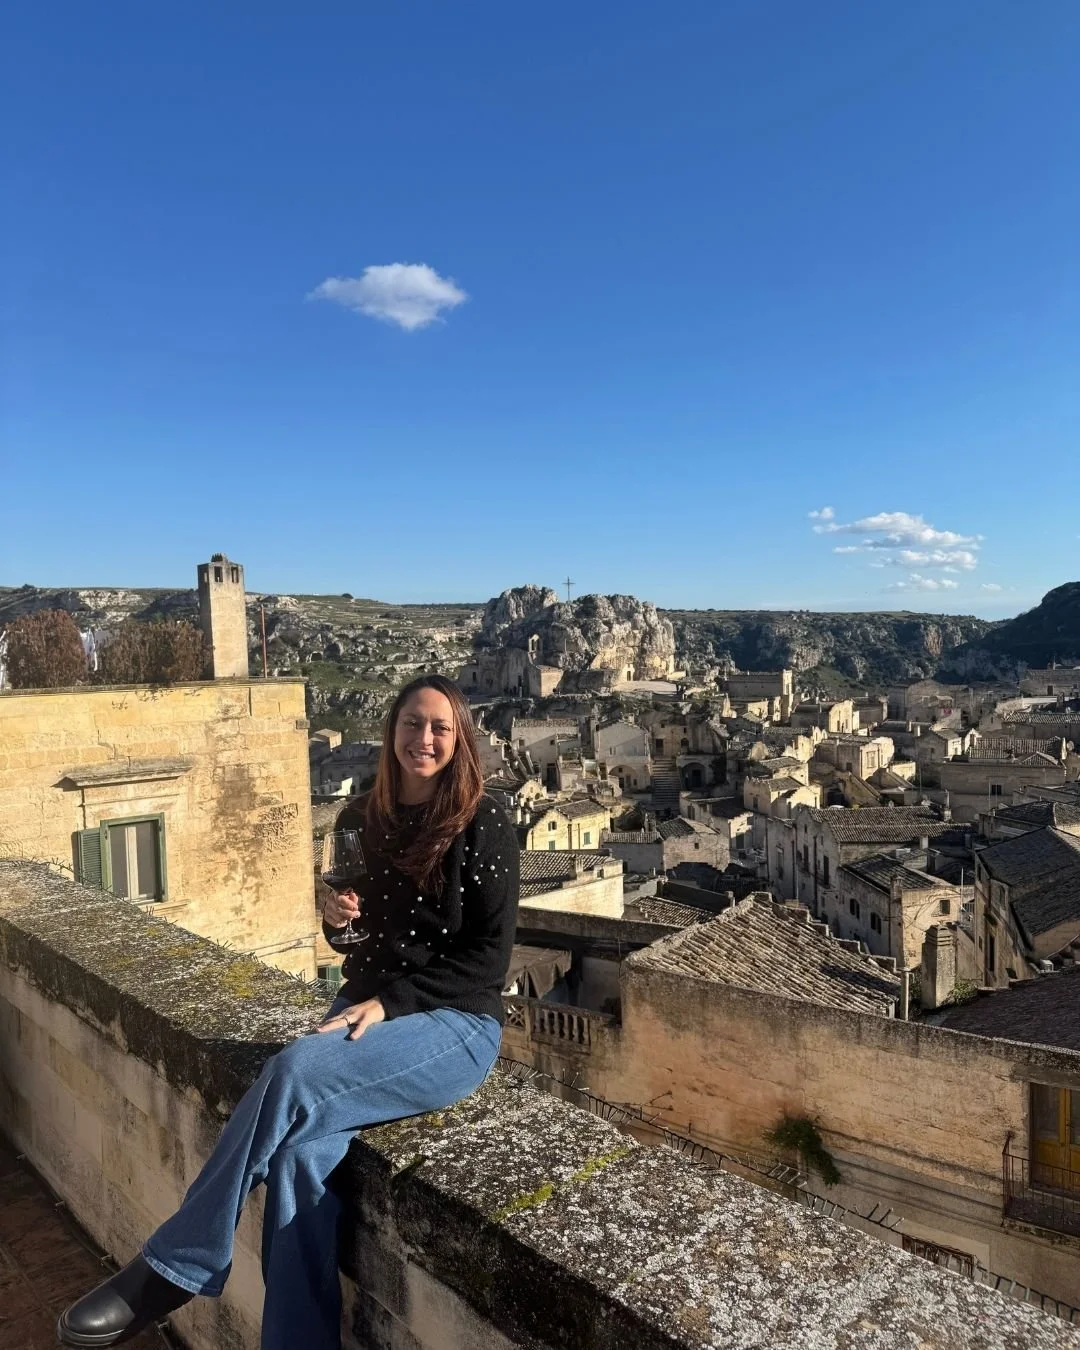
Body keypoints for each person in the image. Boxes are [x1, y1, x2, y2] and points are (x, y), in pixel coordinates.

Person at [58, 674, 519, 1350]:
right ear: (391, 732)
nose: (425, 738)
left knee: (295, 1070)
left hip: (454, 1023)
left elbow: (489, 960)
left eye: (440, 728)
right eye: (412, 724)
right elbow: (357, 940)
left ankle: (176, 1266)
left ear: (460, 740)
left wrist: (392, 1003)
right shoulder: (358, 820)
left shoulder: (486, 820)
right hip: (369, 1004)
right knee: (300, 1162)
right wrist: (335, 922)